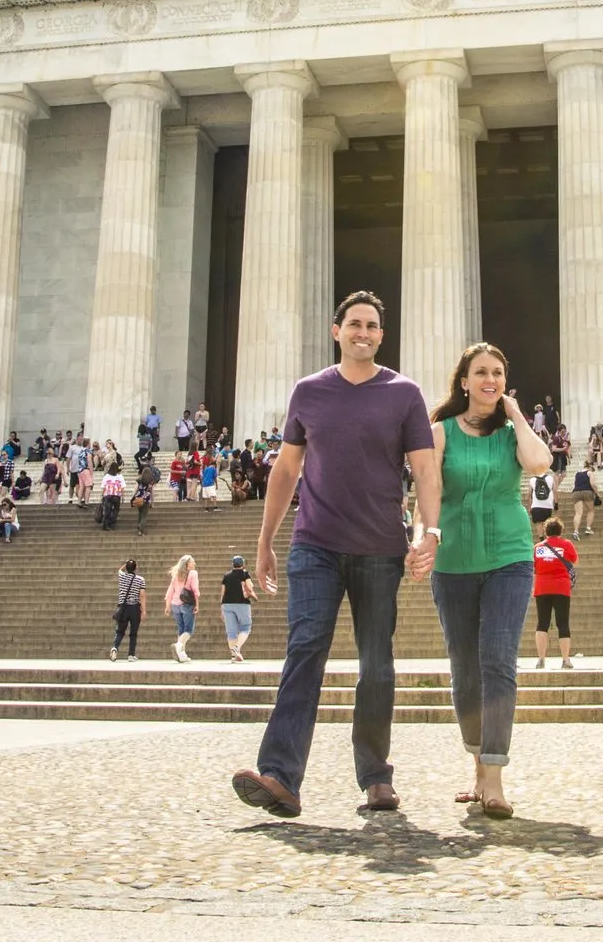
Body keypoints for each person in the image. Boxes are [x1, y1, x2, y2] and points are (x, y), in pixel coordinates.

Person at [231, 290, 439, 820]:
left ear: (381, 335)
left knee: (377, 665)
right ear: (336, 330)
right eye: (354, 324)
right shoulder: (309, 391)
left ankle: (375, 776)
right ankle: (280, 776)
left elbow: (425, 470)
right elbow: (285, 469)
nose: (362, 332)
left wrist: (428, 532)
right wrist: (265, 540)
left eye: (371, 325)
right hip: (315, 544)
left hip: (378, 547)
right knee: (304, 652)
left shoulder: (404, 393)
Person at [425, 342, 551, 819]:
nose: (490, 380)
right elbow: (429, 492)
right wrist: (426, 538)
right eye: (481, 372)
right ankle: (478, 763)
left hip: (509, 557)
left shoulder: (510, 433)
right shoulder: (438, 433)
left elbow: (540, 465)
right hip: (454, 559)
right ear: (464, 381)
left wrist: (517, 415)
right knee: (465, 668)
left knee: (498, 662)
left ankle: (494, 776)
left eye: (498, 372)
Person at [532, 518, 578, 670]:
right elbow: (574, 561)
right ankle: (565, 659)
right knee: (563, 623)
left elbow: (534, 566)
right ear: (561, 530)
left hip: (542, 587)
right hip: (561, 587)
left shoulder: (538, 547)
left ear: (545, 531)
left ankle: (541, 659)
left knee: (542, 623)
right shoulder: (567, 545)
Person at [221, 555, 259, 662]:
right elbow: (250, 587)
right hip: (242, 603)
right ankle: (237, 647)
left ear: (232, 564)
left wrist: (221, 608)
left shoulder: (226, 575)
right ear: (242, 564)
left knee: (231, 631)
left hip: (226, 604)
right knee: (246, 627)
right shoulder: (245, 574)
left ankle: (234, 656)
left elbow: (222, 592)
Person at [167, 555, 199, 662]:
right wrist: (197, 604)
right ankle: (179, 645)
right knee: (189, 630)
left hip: (175, 604)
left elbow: (170, 590)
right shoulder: (193, 573)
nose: (194, 564)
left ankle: (182, 654)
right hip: (187, 604)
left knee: (181, 628)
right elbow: (195, 590)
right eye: (192, 562)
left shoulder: (176, 574)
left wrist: (167, 605)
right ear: (187, 564)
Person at [113, 559, 146, 660]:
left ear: (126, 568)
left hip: (123, 607)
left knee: (120, 631)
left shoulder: (122, 576)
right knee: (133, 632)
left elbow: (120, 570)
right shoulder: (140, 579)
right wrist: (143, 609)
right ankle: (131, 654)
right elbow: (142, 595)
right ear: (136, 568)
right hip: (134, 608)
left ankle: (115, 648)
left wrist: (125, 564)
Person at [568, 457, 600, 538]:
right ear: (590, 467)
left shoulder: (577, 473)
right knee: (591, 510)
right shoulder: (590, 473)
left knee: (578, 513)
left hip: (576, 492)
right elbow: (593, 484)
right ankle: (588, 528)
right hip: (587, 492)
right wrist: (597, 493)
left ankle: (576, 531)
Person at [528, 467, 557, 532]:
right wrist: (556, 503)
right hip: (548, 505)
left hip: (536, 505)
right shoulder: (550, 478)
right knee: (547, 523)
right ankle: (547, 536)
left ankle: (541, 538)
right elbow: (555, 491)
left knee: (538, 523)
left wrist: (529, 507)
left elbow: (529, 494)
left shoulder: (532, 479)